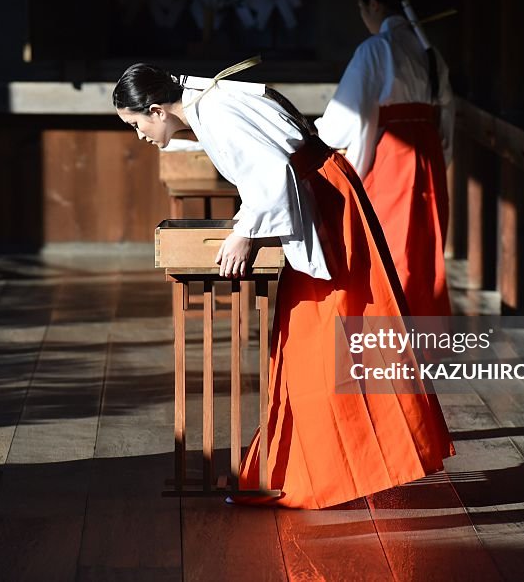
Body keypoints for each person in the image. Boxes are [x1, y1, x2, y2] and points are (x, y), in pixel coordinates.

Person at [113, 61, 453, 509]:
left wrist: (244, 233)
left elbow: (272, 174)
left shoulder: (214, 111)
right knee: (319, 340)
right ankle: (334, 463)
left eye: (136, 124)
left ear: (156, 110)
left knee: (323, 341)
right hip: (325, 196)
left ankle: (320, 473)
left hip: (327, 206)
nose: (139, 135)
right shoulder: (210, 104)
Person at [316, 0, 454, 318]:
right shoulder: (430, 52)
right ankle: (422, 348)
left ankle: (391, 348)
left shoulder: (376, 49)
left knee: (389, 251)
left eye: (363, 10)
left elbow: (349, 115)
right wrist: (442, 158)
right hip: (429, 158)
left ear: (373, 5)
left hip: (393, 157)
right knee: (423, 253)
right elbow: (447, 115)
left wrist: (319, 137)